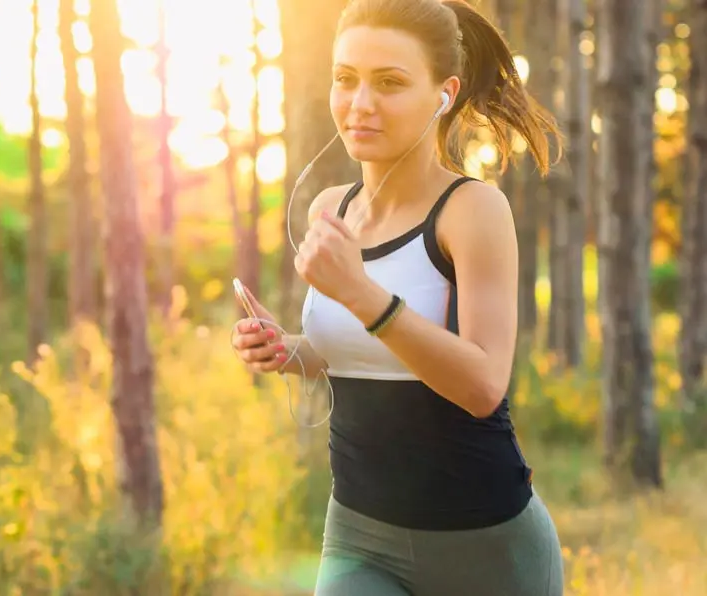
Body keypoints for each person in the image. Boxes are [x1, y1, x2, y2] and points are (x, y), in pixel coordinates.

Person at [231, 0, 564, 594]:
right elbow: (358, 353)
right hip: (360, 536)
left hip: (485, 546)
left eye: (389, 83)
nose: (360, 104)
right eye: (345, 79)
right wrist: (289, 350)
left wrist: (361, 293)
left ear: (444, 92)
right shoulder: (329, 208)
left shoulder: (471, 211)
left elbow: (484, 385)